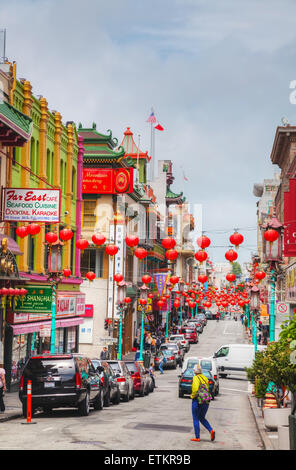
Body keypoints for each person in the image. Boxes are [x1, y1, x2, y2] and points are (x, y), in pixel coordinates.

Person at [190, 364, 215, 442]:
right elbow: (207, 388)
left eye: (194, 370)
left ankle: (197, 437)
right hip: (206, 400)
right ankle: (211, 430)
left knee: (195, 418)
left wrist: (192, 396)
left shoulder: (195, 377)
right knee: (202, 417)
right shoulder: (205, 378)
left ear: (195, 371)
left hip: (197, 400)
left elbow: (195, 389)